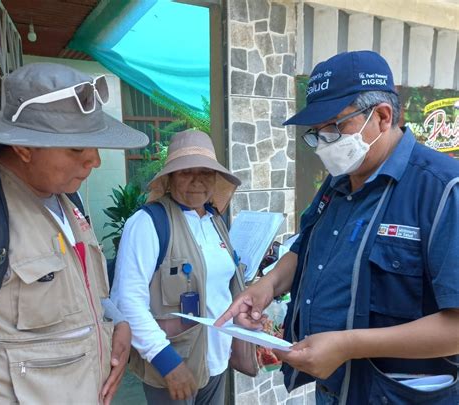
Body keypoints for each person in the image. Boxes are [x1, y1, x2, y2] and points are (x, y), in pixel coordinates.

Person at [216, 50, 459, 404]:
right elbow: (306, 247)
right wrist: (265, 286)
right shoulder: (338, 182)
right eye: (316, 132)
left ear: (382, 116)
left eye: (334, 127)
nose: (324, 142)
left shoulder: (441, 190)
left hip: (398, 394)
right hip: (335, 391)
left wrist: (348, 345)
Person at [0, 63, 149, 404]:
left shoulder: (67, 199)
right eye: (76, 148)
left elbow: (84, 291)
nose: (94, 161)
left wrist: (117, 323)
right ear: (24, 148)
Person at [111, 129, 254, 404]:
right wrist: (167, 363)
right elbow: (127, 300)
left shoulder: (215, 221)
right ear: (169, 178)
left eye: (206, 172)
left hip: (216, 362)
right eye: (186, 172)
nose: (197, 181)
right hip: (174, 364)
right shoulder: (147, 223)